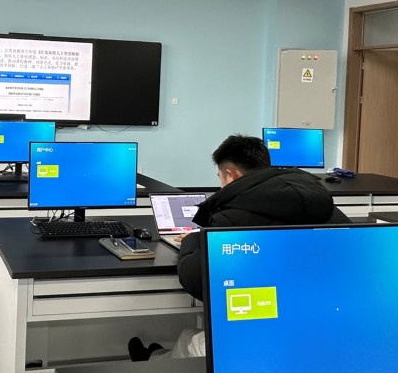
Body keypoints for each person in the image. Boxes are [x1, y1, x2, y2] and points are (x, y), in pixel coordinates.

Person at [129, 133, 348, 361]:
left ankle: (151, 362)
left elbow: (198, 281)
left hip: (270, 333)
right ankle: (155, 355)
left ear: (231, 174)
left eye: (220, 178)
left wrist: (194, 239)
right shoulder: (326, 206)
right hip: (330, 325)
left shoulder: (233, 215)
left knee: (191, 341)